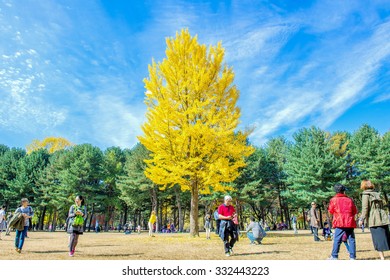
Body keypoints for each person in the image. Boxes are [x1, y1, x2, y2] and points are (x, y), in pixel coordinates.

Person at [359, 180, 390, 260]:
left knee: (377, 239)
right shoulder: (378, 193)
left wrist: (361, 219)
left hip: (374, 219)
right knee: (386, 237)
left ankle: (382, 257)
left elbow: (365, 208)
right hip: (383, 218)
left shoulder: (365, 195)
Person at [327, 183, 357, 260]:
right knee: (351, 239)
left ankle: (334, 256)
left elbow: (330, 210)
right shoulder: (349, 200)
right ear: (343, 191)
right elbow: (354, 211)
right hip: (349, 222)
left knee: (337, 239)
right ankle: (352, 257)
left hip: (339, 222)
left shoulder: (333, 200)